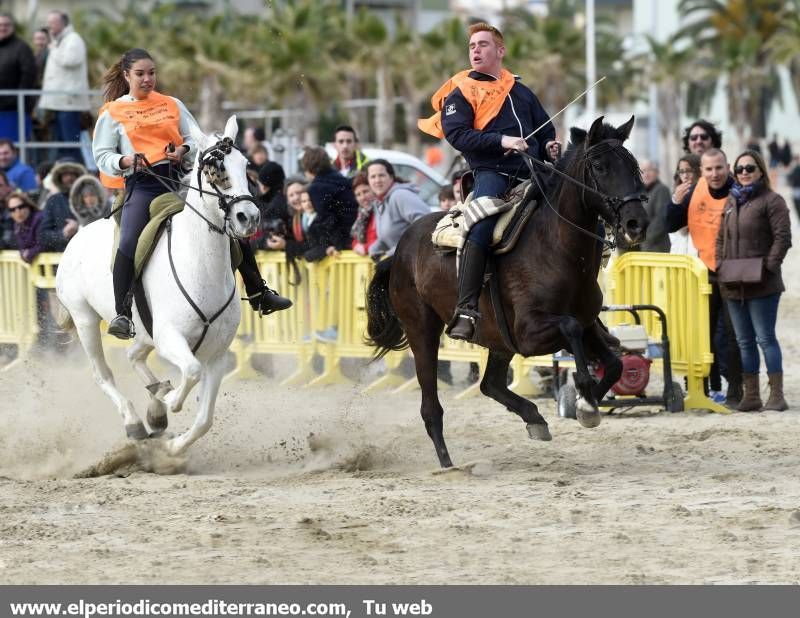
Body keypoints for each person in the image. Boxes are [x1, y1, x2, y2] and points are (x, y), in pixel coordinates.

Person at [92, 48, 291, 340]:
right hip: (142, 185)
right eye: (140, 74)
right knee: (130, 240)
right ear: (126, 75)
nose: (148, 79)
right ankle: (123, 314)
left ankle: (259, 291)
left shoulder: (172, 104)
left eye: (152, 73)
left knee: (229, 224)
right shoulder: (112, 112)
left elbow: (195, 139)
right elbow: (101, 155)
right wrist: (125, 161)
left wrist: (183, 150)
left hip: (181, 182)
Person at [419, 22, 561, 341]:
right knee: (480, 228)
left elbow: (546, 127)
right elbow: (457, 134)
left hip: (537, 172)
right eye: (472, 46)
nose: (476, 50)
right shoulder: (460, 92)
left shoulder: (521, 91)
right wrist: (503, 142)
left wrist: (552, 145)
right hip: (493, 174)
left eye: (483, 44)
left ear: (500, 50)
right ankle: (467, 308)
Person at [716, 150, 792, 412]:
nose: (744, 173)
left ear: (760, 170)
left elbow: (783, 238)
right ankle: (752, 396)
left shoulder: (773, 201)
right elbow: (720, 239)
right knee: (744, 341)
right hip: (733, 283)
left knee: (765, 338)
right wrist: (719, 265)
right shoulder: (730, 201)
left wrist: (768, 267)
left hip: (764, 284)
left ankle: (777, 395)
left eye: (750, 168)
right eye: (740, 170)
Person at [666, 148, 742, 406]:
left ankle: (735, 391)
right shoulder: (694, 190)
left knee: (734, 335)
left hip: (734, 273)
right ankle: (708, 389)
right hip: (703, 272)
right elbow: (671, 224)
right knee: (703, 334)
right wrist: (675, 202)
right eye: (709, 169)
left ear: (727, 167)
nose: (714, 173)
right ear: (702, 171)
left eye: (719, 168)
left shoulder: (738, 190)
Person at [38, 11, 90, 163]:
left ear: (63, 23)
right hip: (59, 103)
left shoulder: (73, 39)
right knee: (62, 144)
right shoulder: (60, 40)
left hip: (69, 103)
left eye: (53, 22)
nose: (49, 26)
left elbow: (72, 60)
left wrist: (53, 49)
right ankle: (65, 175)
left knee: (71, 144)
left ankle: (80, 174)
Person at [300, 146, 358, 261]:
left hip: (340, 244)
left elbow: (326, 219)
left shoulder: (317, 187)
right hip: (353, 235)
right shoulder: (339, 178)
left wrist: (328, 245)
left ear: (308, 166)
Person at [365, 159, 430, 259]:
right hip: (403, 263)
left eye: (381, 175)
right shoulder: (378, 202)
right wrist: (374, 249)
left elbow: (426, 224)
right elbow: (387, 236)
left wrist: (392, 253)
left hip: (420, 262)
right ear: (368, 181)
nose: (377, 180)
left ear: (391, 177)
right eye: (373, 177)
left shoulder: (400, 195)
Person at [0, 13, 36, 142]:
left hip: (13, 111)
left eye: (6, 25)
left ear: (12, 27)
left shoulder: (22, 48)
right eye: (0, 25)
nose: (2, 28)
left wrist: (14, 100)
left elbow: (29, 76)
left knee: (11, 149)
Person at [39, 159, 82, 252]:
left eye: (72, 174)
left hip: (87, 253)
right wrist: (63, 233)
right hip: (62, 257)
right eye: (65, 174)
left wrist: (79, 227)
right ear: (59, 177)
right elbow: (43, 236)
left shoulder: (89, 196)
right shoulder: (53, 201)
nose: (69, 178)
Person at [668, 154, 700, 256]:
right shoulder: (676, 194)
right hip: (678, 253)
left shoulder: (703, 193)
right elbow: (673, 228)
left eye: (689, 171)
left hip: (696, 255)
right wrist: (676, 202)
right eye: (681, 171)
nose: (685, 176)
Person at [254, 161, 288, 249]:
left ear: (264, 187)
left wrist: (252, 245)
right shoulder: (284, 200)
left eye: (259, 184)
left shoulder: (274, 207)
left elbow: (271, 239)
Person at [638, 160, 671, 253]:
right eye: (643, 171)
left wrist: (642, 238)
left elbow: (661, 219)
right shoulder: (643, 192)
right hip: (645, 247)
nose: (646, 174)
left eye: (650, 170)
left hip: (657, 248)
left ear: (657, 172)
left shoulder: (662, 190)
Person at [7, 192, 42, 263]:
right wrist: (22, 252)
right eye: (12, 210)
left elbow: (44, 243)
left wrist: (30, 253)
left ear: (28, 205)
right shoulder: (17, 225)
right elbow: (21, 247)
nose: (17, 211)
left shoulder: (39, 218)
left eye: (20, 207)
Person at [350, 172, 377, 256]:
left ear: (373, 189)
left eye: (365, 191)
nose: (363, 197)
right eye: (358, 195)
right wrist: (357, 246)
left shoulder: (380, 210)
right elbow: (356, 240)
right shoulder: (362, 213)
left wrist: (365, 248)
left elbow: (384, 239)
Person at [788, 155, 800, 220]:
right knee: (796, 205)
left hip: (797, 189)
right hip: (795, 189)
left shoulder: (797, 169)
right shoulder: (794, 168)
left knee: (797, 205)